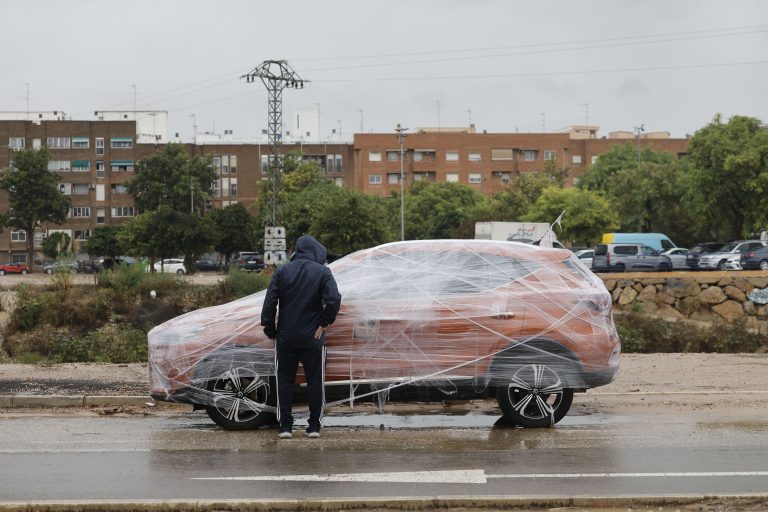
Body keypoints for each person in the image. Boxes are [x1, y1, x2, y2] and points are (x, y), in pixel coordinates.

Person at [261, 235, 341, 439]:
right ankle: (314, 426)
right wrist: (324, 323)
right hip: (313, 337)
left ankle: (285, 427)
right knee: (315, 381)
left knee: (285, 381)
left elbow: (270, 303)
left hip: (286, 337)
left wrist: (270, 330)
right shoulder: (323, 272)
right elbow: (334, 299)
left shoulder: (282, 271)